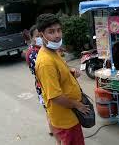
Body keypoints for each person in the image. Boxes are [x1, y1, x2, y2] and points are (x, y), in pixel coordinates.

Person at [35, 13, 89, 145]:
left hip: (70, 114)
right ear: (42, 35)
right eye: (51, 32)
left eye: (59, 30)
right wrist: (78, 105)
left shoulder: (54, 52)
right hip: (65, 118)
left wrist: (70, 71)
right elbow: (55, 96)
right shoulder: (45, 62)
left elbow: (59, 71)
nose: (57, 35)